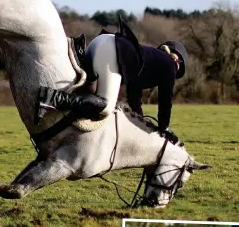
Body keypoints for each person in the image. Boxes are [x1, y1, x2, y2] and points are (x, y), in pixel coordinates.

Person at [37, 17, 187, 144]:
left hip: (100, 41)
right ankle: (53, 98)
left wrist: (141, 125)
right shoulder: (170, 64)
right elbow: (165, 101)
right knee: (106, 105)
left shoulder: (149, 61)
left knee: (90, 96)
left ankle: (56, 119)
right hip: (112, 49)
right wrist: (164, 128)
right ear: (177, 61)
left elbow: (135, 99)